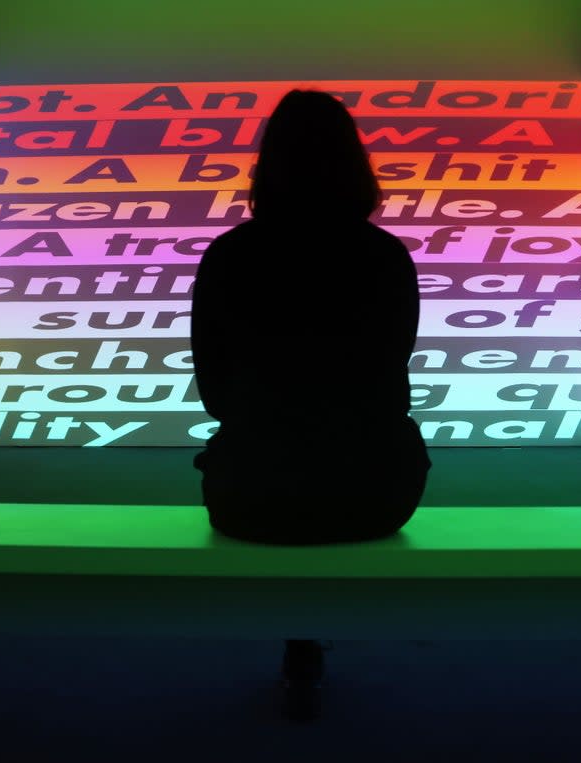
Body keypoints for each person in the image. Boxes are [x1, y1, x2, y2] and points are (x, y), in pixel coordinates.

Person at [189, 89, 431, 721]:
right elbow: (389, 380)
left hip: (252, 498)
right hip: (376, 496)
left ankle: (299, 645)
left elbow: (215, 394)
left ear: (267, 165)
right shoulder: (386, 257)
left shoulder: (229, 256)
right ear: (356, 164)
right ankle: (311, 642)